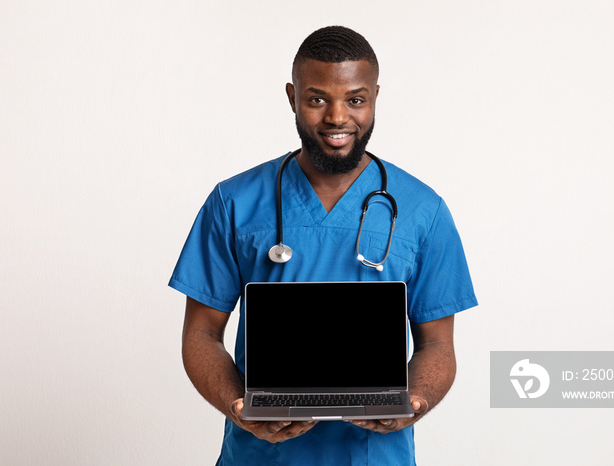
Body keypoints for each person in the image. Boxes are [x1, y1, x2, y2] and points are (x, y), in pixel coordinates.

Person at [169, 25, 478, 466]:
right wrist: (240, 409)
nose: (337, 117)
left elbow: (437, 346)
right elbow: (200, 333)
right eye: (317, 99)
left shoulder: (421, 210)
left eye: (355, 99)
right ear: (293, 97)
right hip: (261, 456)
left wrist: (415, 400)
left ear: (374, 97)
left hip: (374, 456)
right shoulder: (234, 202)